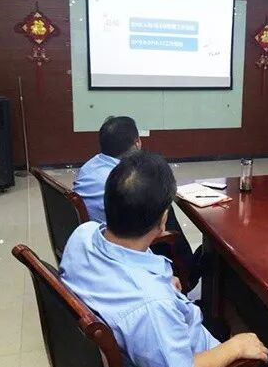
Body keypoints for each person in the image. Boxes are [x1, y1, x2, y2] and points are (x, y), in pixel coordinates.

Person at [60, 151, 268, 367]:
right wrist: (236, 347)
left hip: (163, 327)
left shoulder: (83, 234)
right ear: (163, 220)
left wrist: (161, 282)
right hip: (200, 359)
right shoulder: (153, 306)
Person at [73, 116, 200, 288]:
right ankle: (188, 272)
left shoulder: (89, 166)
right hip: (120, 248)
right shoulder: (121, 180)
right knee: (160, 204)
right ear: (137, 143)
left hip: (96, 245)